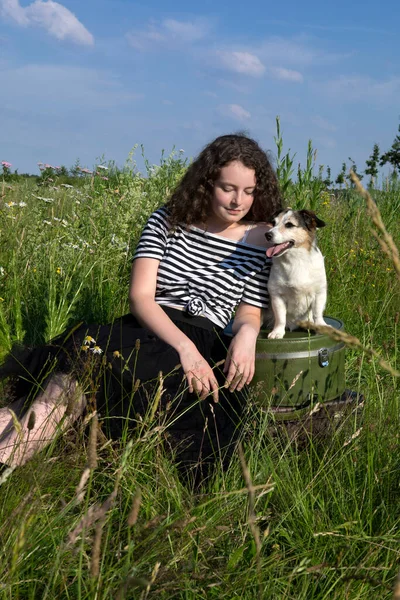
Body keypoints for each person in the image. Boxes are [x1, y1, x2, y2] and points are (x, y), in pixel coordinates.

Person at [0, 133, 282, 483]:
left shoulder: (265, 237)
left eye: (249, 191)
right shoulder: (168, 219)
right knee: (66, 384)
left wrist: (248, 334)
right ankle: (6, 464)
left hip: (207, 342)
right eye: (228, 188)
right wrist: (185, 348)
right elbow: (141, 297)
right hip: (148, 329)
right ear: (207, 183)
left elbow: (249, 309)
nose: (238, 200)